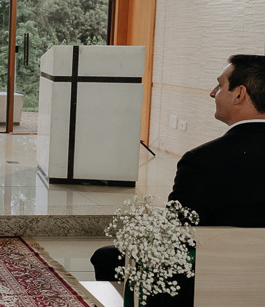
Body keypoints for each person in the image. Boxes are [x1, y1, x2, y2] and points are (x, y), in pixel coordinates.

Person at [91, 54, 265, 280]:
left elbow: (176, 233)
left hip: (218, 278)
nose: (213, 93)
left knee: (106, 257)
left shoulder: (203, 160)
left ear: (240, 94)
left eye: (220, 86)